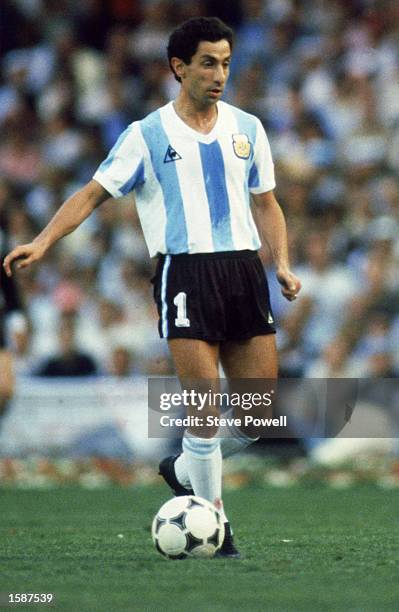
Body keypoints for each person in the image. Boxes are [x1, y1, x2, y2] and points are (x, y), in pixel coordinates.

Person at [3, 17, 301, 558]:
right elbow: (92, 194)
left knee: (259, 413)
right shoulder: (146, 134)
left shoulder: (248, 128)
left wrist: (280, 262)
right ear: (179, 68)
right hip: (183, 272)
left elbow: (267, 202)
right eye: (208, 63)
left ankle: (185, 468)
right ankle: (215, 525)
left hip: (242, 271)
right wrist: (43, 242)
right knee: (204, 410)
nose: (219, 75)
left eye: (226, 63)